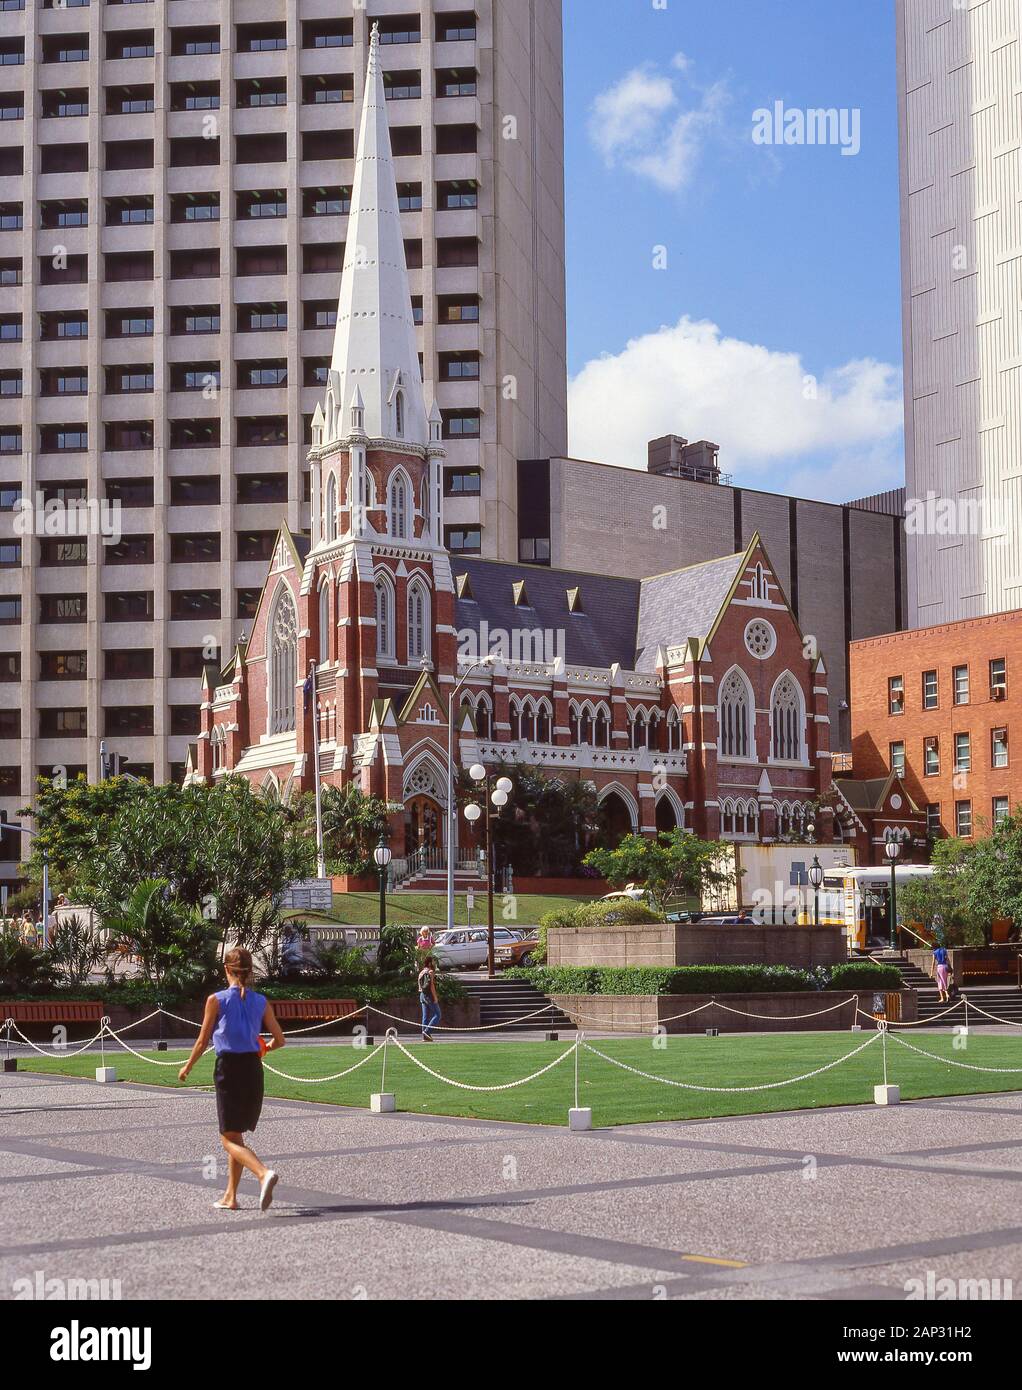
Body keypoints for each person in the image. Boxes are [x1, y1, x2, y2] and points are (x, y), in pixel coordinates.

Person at [178, 946, 286, 1212]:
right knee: (236, 1136)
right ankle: (230, 1196)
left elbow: (203, 1041)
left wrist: (187, 1067)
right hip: (253, 1068)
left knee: (227, 1138)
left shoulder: (216, 999)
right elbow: (280, 1040)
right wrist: (265, 1048)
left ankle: (262, 1173)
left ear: (226, 969)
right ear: (249, 971)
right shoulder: (261, 1001)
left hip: (229, 1069)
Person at [417, 956, 441, 1042]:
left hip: (422, 995)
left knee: (425, 1016)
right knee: (437, 1015)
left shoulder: (421, 972)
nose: (434, 963)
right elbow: (432, 986)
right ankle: (427, 1032)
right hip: (429, 995)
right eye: (433, 961)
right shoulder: (430, 972)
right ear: (430, 963)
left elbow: (420, 987)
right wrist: (435, 997)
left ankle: (425, 1036)